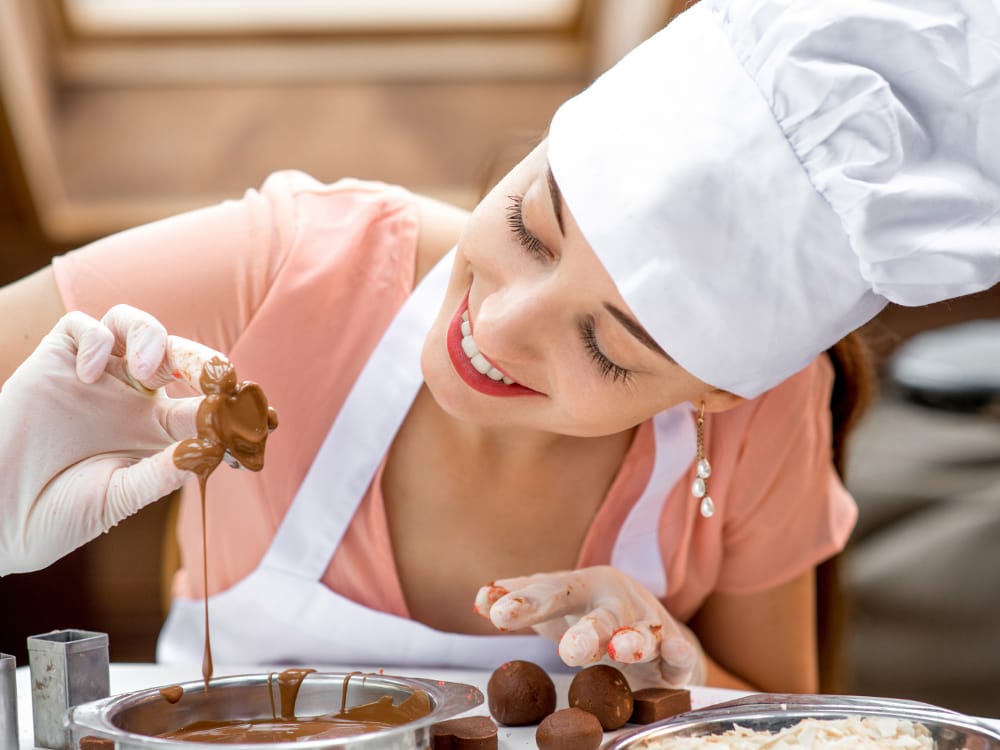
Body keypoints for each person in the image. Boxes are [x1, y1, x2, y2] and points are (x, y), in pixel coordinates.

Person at [1, 0, 998, 694]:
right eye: (530, 226)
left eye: (609, 349)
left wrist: (686, 690)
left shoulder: (767, 416)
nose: (497, 327)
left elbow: (790, 730)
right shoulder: (296, 264)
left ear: (714, 394)